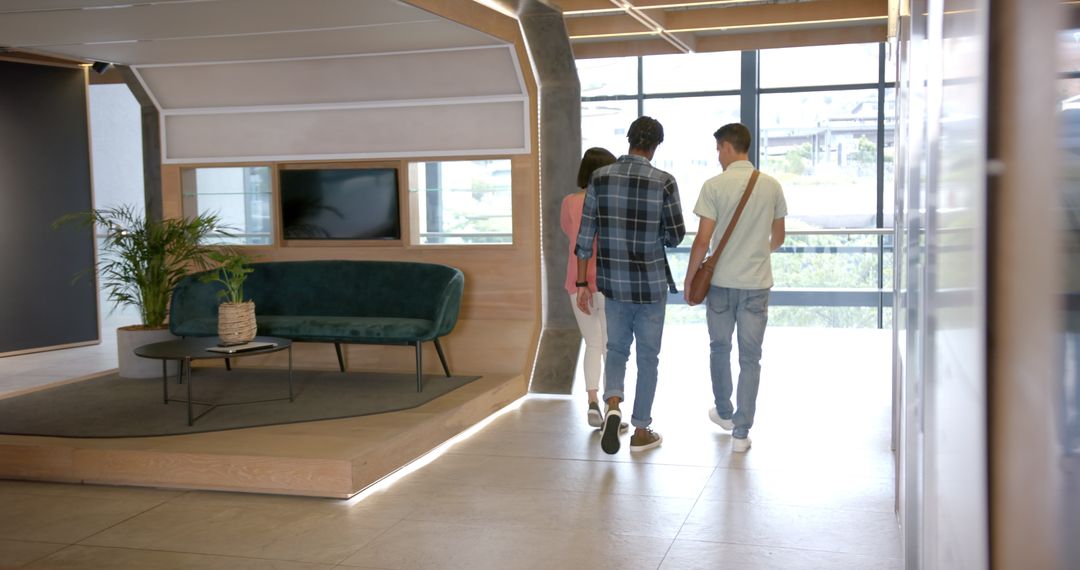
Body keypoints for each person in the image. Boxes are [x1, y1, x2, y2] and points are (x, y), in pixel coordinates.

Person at [575, 116, 686, 454]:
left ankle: (611, 405)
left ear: (628, 140)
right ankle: (641, 430)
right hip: (651, 286)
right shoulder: (664, 182)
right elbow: (676, 234)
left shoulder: (599, 178)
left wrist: (582, 282)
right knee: (648, 358)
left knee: (617, 350)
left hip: (614, 284)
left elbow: (584, 237)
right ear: (655, 146)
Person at [683, 123, 787, 453]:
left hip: (721, 284)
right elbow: (779, 238)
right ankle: (741, 432)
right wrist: (756, 252)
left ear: (728, 147)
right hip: (756, 284)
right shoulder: (771, 186)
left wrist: (689, 279)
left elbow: (702, 241)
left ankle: (725, 413)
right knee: (751, 357)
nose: (717, 156)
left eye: (718, 149)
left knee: (719, 347)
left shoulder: (714, 186)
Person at [560, 147, 617, 428]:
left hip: (576, 281)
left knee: (592, 343)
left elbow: (569, 233)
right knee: (609, 346)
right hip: (608, 283)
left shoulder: (569, 202)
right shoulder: (610, 202)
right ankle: (612, 409)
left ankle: (592, 401)